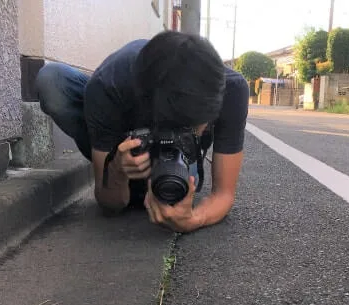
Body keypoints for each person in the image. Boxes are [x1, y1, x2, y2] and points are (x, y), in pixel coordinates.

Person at [35, 30, 249, 233]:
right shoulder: (110, 85)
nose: (172, 139)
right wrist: (117, 171)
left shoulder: (232, 90)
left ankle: (145, 185)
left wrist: (194, 219)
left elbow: (223, 195)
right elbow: (109, 204)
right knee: (52, 79)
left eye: (188, 131)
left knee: (176, 190)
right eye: (170, 129)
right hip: (117, 113)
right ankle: (106, 147)